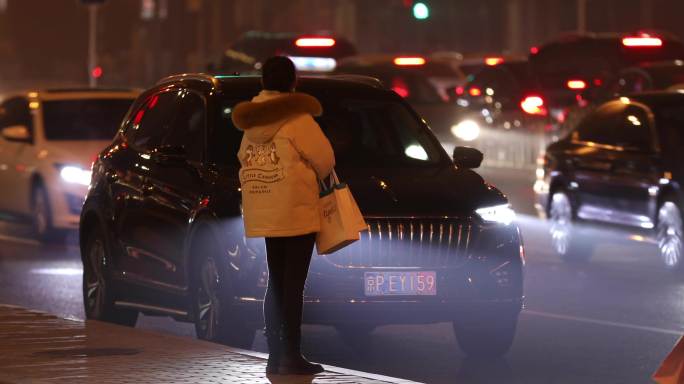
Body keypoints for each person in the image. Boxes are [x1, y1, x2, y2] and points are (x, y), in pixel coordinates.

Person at [231, 56, 335, 375]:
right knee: (293, 284)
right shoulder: (296, 118)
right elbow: (325, 159)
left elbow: (242, 159)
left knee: (276, 282)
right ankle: (291, 354)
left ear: (263, 82)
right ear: (293, 82)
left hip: (265, 209)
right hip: (296, 210)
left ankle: (275, 355)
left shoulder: (252, 122)